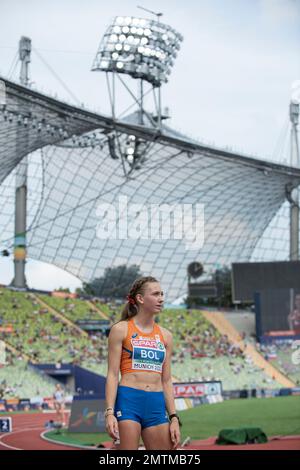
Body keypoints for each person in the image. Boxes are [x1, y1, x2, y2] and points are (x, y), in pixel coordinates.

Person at [105, 276, 181, 450]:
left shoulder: (166, 336)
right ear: (140, 299)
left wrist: (174, 417)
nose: (161, 298)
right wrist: (109, 412)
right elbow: (112, 374)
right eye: (155, 294)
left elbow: (166, 380)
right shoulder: (120, 329)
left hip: (156, 402)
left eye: (162, 294)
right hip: (128, 401)